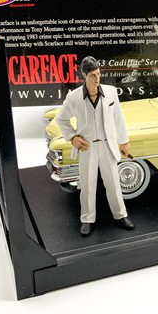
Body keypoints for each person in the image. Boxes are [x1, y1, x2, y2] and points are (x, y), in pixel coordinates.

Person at [56, 56, 135, 236]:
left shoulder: (111, 92)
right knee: (87, 185)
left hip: (107, 145)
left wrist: (124, 141)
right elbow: (61, 119)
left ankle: (120, 215)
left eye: (98, 74)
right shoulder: (74, 97)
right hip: (87, 147)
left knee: (113, 183)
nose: (96, 78)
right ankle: (87, 219)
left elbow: (118, 118)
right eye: (92, 75)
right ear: (84, 75)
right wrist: (72, 137)